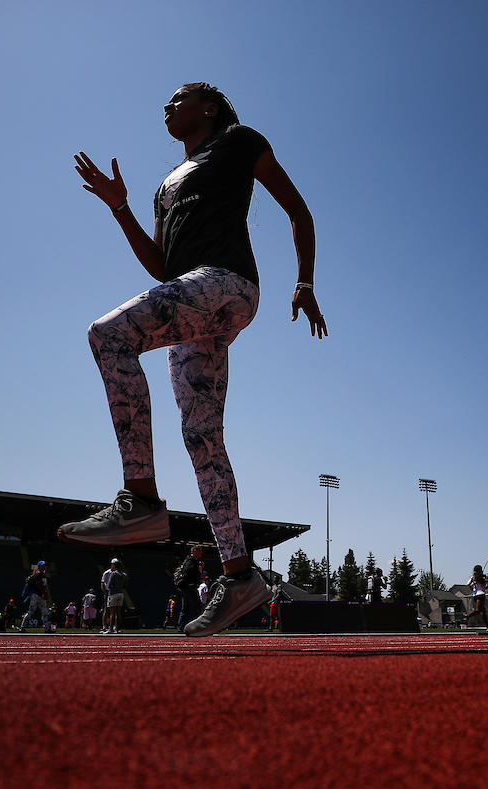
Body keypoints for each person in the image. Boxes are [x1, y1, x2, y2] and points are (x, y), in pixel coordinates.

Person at [58, 82, 325, 638]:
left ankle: (142, 498)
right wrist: (121, 208)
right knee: (202, 437)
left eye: (179, 98)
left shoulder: (237, 140)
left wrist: (304, 282)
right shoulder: (165, 187)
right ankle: (240, 575)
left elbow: (298, 210)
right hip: (194, 304)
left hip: (226, 286)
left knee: (108, 336)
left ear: (210, 107)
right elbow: (160, 269)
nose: (166, 105)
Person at [19, 562, 51, 632]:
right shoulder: (37, 575)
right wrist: (44, 593)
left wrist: (44, 593)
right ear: (39, 567)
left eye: (45, 566)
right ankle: (22, 627)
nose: (44, 567)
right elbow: (38, 586)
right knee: (31, 611)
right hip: (36, 595)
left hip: (41, 596)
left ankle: (47, 628)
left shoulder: (43, 575)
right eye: (43, 566)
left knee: (45, 612)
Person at [462, 565, 488, 633]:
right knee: (479, 610)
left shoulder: (473, 578)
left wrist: (472, 589)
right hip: (481, 594)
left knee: (483, 611)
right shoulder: (484, 577)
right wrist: (484, 588)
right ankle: (467, 616)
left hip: (475, 595)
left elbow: (468, 584)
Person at [102, 559, 128, 634]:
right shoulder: (124, 574)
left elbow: (109, 585)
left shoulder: (114, 574)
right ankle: (118, 628)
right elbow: (125, 586)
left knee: (112, 612)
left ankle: (110, 629)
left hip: (113, 593)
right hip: (121, 593)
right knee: (118, 612)